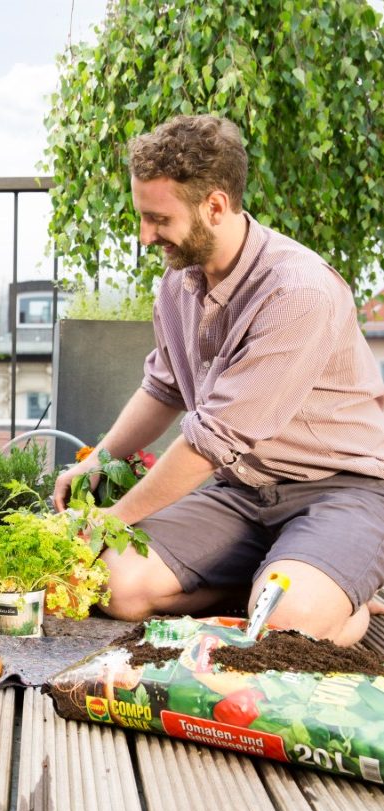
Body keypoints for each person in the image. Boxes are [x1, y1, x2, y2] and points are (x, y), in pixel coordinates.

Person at [52, 114, 384, 646]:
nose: (145, 236)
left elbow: (212, 441)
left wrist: (113, 517)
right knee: (116, 586)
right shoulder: (178, 284)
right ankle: (285, 583)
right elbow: (162, 388)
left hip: (339, 492)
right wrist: (100, 459)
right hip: (243, 494)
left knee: (285, 625)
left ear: (214, 206)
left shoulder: (296, 290)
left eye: (158, 219)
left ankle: (342, 598)